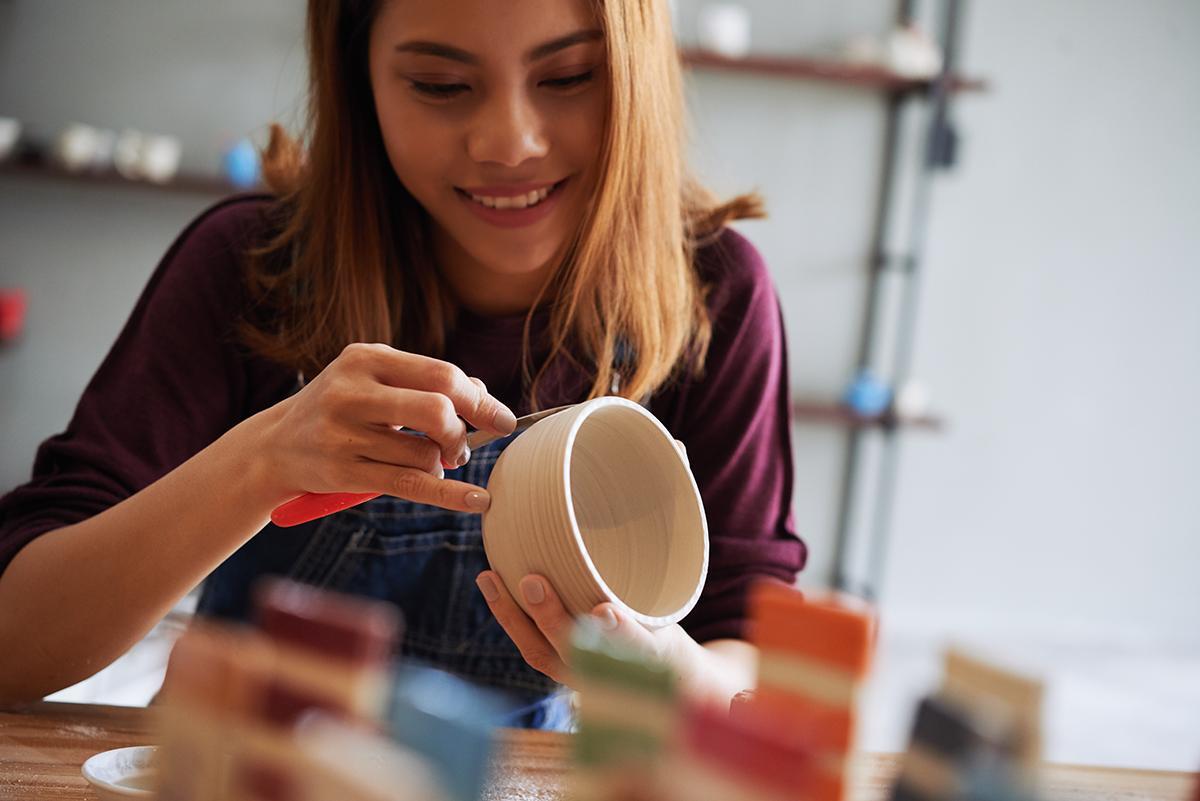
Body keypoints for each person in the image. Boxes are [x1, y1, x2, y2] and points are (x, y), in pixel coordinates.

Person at [0, 0, 805, 726]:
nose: (509, 143)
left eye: (569, 75)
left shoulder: (712, 298)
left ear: (636, 72)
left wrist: (661, 677)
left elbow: (753, 660)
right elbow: (16, 644)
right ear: (361, 83)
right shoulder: (252, 267)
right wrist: (262, 460)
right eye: (440, 84)